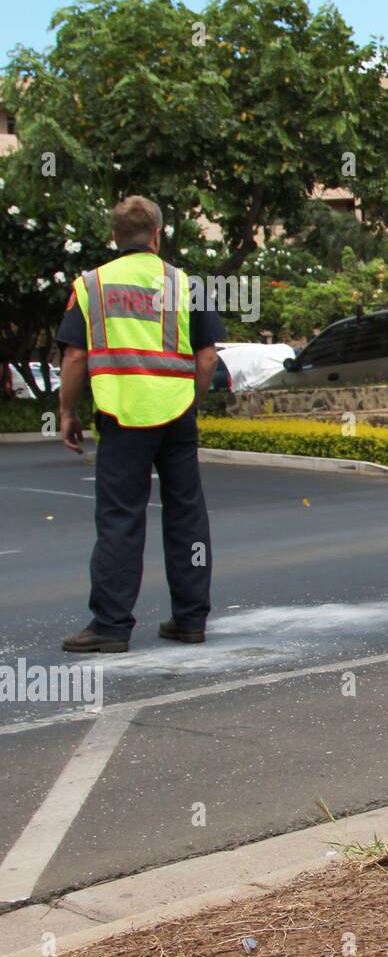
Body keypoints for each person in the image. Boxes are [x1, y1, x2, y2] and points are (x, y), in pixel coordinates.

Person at [58, 196, 223, 653]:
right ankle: (191, 619)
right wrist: (191, 399)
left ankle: (111, 626)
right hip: (176, 415)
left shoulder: (92, 285)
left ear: (115, 238)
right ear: (157, 235)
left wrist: (68, 412)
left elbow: (74, 356)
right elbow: (207, 356)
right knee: (187, 514)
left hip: (120, 414)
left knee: (120, 519)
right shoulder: (184, 284)